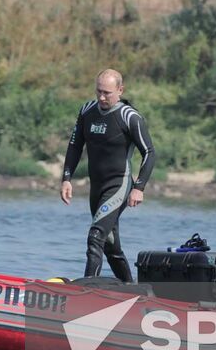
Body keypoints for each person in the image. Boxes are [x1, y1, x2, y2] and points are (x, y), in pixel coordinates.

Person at [59, 69, 155, 282]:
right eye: (98, 92)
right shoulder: (87, 110)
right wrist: (67, 178)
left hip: (118, 186)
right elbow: (75, 145)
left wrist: (139, 188)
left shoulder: (130, 117)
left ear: (120, 90)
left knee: (95, 237)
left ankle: (85, 292)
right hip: (97, 188)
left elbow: (149, 152)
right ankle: (132, 289)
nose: (102, 97)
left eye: (107, 93)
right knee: (111, 245)